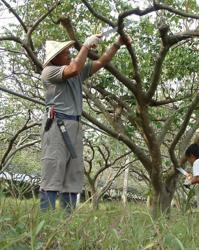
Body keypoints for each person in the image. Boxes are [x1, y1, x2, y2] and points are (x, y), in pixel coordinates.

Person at [40, 34, 131, 212]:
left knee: (73, 175)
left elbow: (102, 61)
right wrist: (86, 46)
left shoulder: (75, 72)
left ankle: (67, 222)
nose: (68, 55)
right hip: (56, 124)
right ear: (55, 57)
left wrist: (117, 44)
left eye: (68, 52)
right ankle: (46, 223)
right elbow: (73, 68)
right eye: (64, 53)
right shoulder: (49, 71)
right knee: (53, 170)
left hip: (75, 125)